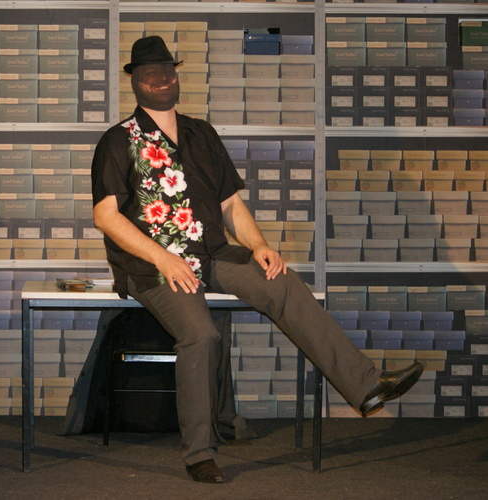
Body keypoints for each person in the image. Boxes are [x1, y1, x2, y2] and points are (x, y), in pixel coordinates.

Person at [91, 36, 424, 484]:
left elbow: (230, 204)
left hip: (211, 252)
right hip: (154, 266)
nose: (161, 79)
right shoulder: (118, 140)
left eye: (167, 71)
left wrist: (260, 245)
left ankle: (365, 386)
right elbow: (106, 216)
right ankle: (199, 454)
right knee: (201, 335)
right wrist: (164, 259)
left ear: (177, 76)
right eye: (150, 73)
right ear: (135, 81)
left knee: (281, 282)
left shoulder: (202, 134)